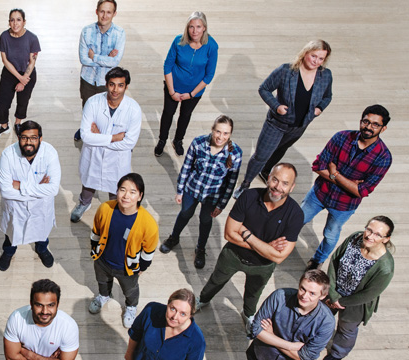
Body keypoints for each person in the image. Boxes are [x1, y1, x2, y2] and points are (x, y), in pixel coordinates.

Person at [196, 163, 304, 338]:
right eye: (275, 180)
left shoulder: (295, 214)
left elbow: (279, 257)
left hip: (263, 266)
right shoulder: (248, 196)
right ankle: (203, 300)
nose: (278, 187)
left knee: (254, 294)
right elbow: (229, 234)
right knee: (216, 280)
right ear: (268, 178)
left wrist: (246, 233)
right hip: (233, 255)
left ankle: (248, 315)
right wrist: (267, 247)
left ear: (292, 187)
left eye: (285, 183)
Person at [234, 40, 333, 198]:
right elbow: (264, 89)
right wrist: (276, 106)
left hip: (299, 126)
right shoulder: (286, 70)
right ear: (305, 53)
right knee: (261, 156)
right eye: (313, 56)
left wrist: (319, 108)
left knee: (280, 150)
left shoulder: (325, 75)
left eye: (321, 58)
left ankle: (266, 172)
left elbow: (328, 96)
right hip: (277, 124)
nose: (316, 61)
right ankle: (245, 184)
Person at [301, 104, 392, 270]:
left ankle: (317, 260)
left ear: (383, 128)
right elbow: (318, 166)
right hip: (319, 193)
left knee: (330, 235)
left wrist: (335, 174)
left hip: (344, 206)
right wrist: (348, 183)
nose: (369, 127)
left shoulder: (383, 157)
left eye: (375, 124)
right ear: (361, 121)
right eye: (366, 121)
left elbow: (361, 191)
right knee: (297, 220)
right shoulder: (341, 137)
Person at [159, 115, 242, 269]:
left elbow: (231, 183)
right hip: (193, 188)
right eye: (218, 131)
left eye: (225, 133)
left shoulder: (236, 153)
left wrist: (222, 204)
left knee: (205, 220)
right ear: (212, 129)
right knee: (185, 213)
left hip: (213, 195)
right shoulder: (198, 143)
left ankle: (200, 248)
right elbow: (186, 167)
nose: (220, 136)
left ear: (230, 134)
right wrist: (180, 190)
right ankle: (174, 237)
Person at [70, 66, 141, 223]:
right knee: (89, 182)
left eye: (120, 85)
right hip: (93, 155)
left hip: (117, 160)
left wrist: (99, 138)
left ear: (126, 86)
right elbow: (85, 136)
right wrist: (114, 138)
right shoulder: (93, 102)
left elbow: (129, 143)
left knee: (116, 188)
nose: (115, 89)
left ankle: (114, 211)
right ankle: (84, 204)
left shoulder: (133, 109)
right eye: (112, 84)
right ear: (106, 84)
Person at [88, 173, 159, 328]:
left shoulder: (148, 224)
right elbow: (96, 231)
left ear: (140, 196)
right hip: (102, 260)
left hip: (127, 269)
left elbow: (149, 251)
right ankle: (104, 296)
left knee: (130, 290)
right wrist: (95, 251)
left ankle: (131, 307)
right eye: (122, 190)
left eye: (133, 192)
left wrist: (141, 268)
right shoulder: (105, 208)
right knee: (102, 281)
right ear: (117, 191)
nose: (126, 196)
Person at [323, 216, 395, 360]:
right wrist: (332, 292)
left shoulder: (385, 266)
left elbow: (368, 294)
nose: (370, 236)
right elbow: (335, 260)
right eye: (369, 229)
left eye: (378, 234)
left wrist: (340, 302)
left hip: (355, 303)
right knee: (321, 316)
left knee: (346, 330)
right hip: (334, 290)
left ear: (386, 239)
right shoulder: (355, 238)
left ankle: (337, 354)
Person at [0, 120, 60, 271]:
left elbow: (53, 190)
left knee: (42, 233)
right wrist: (39, 190)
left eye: (33, 138)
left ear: (40, 138)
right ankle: (9, 252)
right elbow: (5, 191)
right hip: (16, 209)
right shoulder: (7, 155)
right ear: (18, 137)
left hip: (41, 209)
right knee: (11, 235)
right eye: (24, 137)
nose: (28, 142)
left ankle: (42, 249)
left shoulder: (50, 153)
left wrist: (20, 186)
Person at [155, 11, 218, 157]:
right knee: (168, 113)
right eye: (191, 27)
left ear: (204, 28)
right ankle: (162, 140)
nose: (194, 31)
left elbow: (209, 75)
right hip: (173, 87)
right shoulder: (178, 41)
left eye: (198, 27)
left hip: (194, 92)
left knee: (185, 115)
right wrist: (171, 92)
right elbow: (167, 66)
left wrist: (191, 94)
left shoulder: (212, 46)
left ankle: (178, 141)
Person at [247, 270, 335, 360]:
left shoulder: (326, 322)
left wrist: (271, 335)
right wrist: (290, 346)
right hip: (260, 355)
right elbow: (256, 329)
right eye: (302, 289)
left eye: (312, 293)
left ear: (323, 296)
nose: (304, 296)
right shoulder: (279, 297)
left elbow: (305, 357)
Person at [74, 0, 125, 141]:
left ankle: (102, 134)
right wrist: (106, 58)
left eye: (109, 12)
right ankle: (85, 129)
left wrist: (95, 56)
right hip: (88, 79)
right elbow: (84, 59)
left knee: (105, 109)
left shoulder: (119, 34)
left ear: (114, 14)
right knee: (87, 107)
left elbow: (115, 62)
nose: (104, 15)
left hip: (107, 81)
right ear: (96, 11)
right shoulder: (86, 31)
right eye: (102, 11)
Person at [0, 8, 41, 139]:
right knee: (2, 102)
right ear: (9, 22)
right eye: (12, 20)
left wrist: (24, 80)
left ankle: (18, 123)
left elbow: (32, 62)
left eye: (18, 20)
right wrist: (19, 79)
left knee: (22, 101)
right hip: (10, 73)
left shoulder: (32, 38)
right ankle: (4, 126)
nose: (15, 23)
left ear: (24, 22)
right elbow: (5, 60)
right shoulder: (4, 37)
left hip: (27, 74)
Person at [3, 279, 79, 360]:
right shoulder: (17, 319)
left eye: (50, 305)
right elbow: (11, 357)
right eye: (39, 305)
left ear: (57, 305)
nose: (44, 311)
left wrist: (30, 355)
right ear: (31, 304)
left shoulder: (69, 326)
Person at [125, 288, 206, 360]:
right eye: (173, 309)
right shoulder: (151, 310)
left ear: (190, 315)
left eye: (183, 314)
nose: (174, 317)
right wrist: (128, 356)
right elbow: (135, 334)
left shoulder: (197, 340)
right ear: (168, 304)